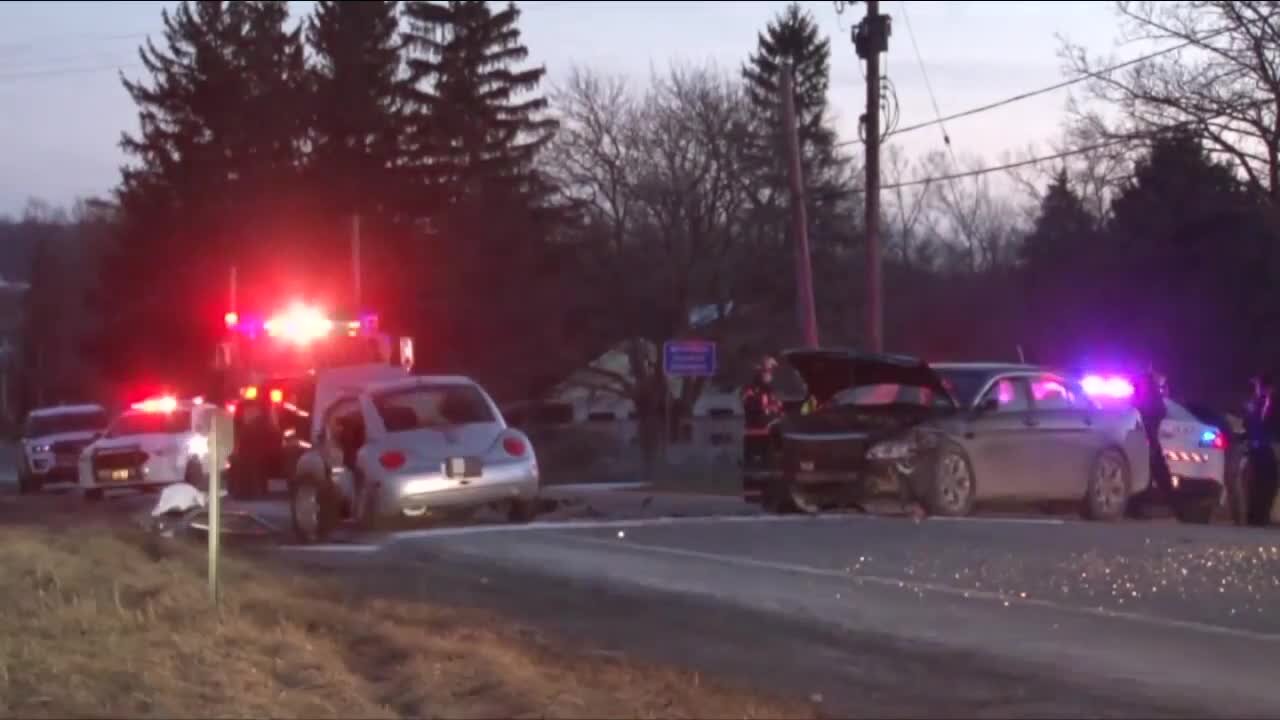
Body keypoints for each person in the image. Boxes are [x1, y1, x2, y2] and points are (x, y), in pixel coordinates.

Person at [1129, 369, 1179, 518]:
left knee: (1153, 474)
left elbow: (1155, 413)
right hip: (1146, 440)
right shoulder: (1148, 396)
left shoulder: (1145, 397)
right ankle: (1173, 505)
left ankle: (1138, 507)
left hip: (1146, 440)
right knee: (1154, 474)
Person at [1244, 373, 1279, 527]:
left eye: (1258, 385)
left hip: (1268, 446)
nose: (1256, 389)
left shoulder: (1272, 401)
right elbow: (1252, 423)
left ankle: (1259, 515)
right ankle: (1256, 516)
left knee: (1265, 482)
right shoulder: (1258, 402)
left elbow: (1267, 423)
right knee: (1260, 482)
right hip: (1260, 447)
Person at [740, 355, 783, 472]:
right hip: (755, 429)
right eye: (768, 371)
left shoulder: (771, 391)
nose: (770, 375)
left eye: (771, 372)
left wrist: (776, 409)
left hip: (768, 432)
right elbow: (748, 404)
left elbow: (778, 407)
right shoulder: (752, 389)